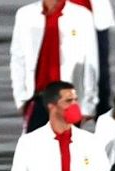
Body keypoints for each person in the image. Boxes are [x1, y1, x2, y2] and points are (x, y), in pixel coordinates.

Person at [8, 0, 97, 132]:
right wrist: (20, 98)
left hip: (68, 99)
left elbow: (91, 62)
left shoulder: (81, 16)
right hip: (37, 97)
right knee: (34, 148)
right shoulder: (25, 15)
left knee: (69, 147)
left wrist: (88, 104)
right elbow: (18, 58)